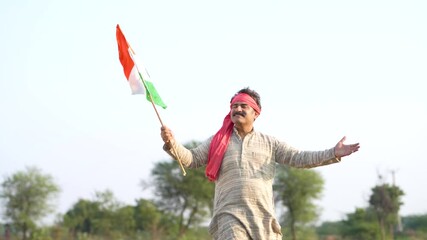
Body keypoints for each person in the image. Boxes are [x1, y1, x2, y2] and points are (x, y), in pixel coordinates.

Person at [160, 87, 360, 240]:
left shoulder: (269, 143)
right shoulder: (217, 141)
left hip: (263, 219)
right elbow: (192, 159)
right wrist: (172, 143)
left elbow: (300, 158)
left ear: (256, 112)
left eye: (242, 106)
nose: (237, 109)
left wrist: (333, 153)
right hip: (230, 215)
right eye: (234, 106)